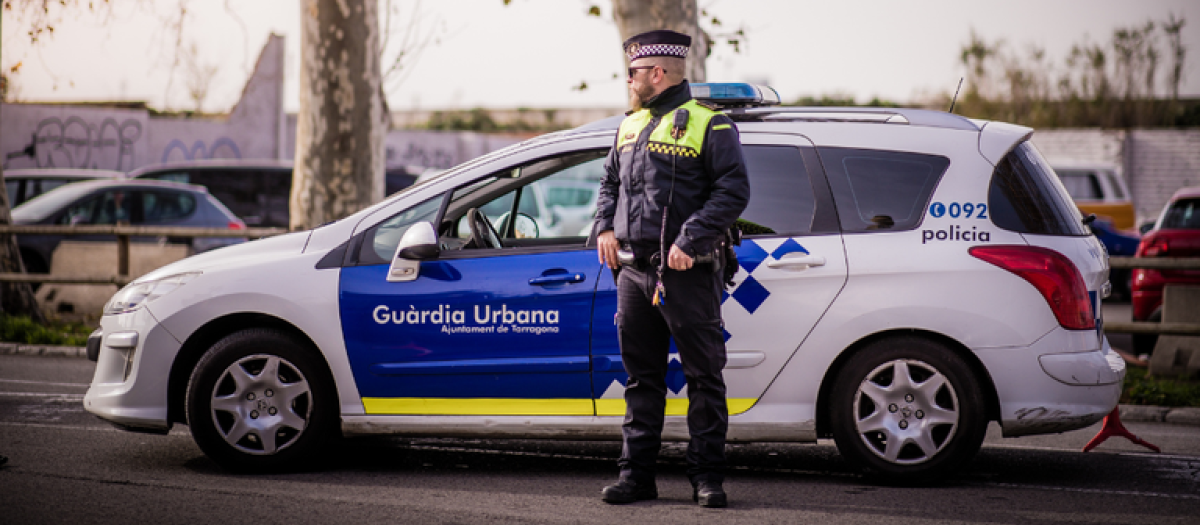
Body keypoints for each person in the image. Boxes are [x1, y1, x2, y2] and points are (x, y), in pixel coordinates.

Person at [593, 29, 750, 508]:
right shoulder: (628, 126)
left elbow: (733, 191)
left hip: (688, 273)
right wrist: (603, 228)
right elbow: (608, 185)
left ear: (657, 74)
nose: (629, 80)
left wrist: (691, 238)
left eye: (634, 73)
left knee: (704, 378)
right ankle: (637, 477)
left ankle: (707, 480)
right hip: (633, 275)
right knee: (641, 379)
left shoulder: (709, 125)